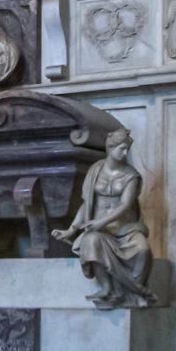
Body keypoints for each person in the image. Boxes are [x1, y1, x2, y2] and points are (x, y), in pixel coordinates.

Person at [52, 127, 156, 310]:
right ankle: (108, 289)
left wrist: (102, 221)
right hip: (100, 230)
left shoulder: (131, 176)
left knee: (143, 250)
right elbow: (87, 204)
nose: (125, 153)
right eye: (121, 149)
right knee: (91, 242)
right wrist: (72, 229)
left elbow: (125, 206)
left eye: (127, 150)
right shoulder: (95, 170)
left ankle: (136, 291)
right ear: (110, 148)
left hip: (125, 230)